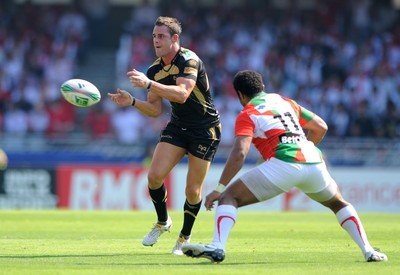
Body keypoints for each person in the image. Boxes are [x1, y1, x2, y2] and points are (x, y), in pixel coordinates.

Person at [182, 70, 388, 263]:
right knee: (339, 203)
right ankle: (368, 250)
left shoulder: (248, 112)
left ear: (240, 95)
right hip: (314, 163)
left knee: (229, 197)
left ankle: (218, 246)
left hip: (284, 164)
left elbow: (240, 153)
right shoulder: (285, 101)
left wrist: (218, 189)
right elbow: (321, 127)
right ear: (262, 86)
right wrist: (301, 148)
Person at [108, 16, 221, 255]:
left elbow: (181, 94)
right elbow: (155, 110)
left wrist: (149, 84)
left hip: (205, 129)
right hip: (178, 126)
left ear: (175, 38)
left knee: (192, 191)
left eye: (161, 36)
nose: (156, 41)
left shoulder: (189, 60)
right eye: (153, 37)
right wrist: (131, 102)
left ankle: (184, 237)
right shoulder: (154, 69)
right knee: (154, 176)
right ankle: (163, 222)